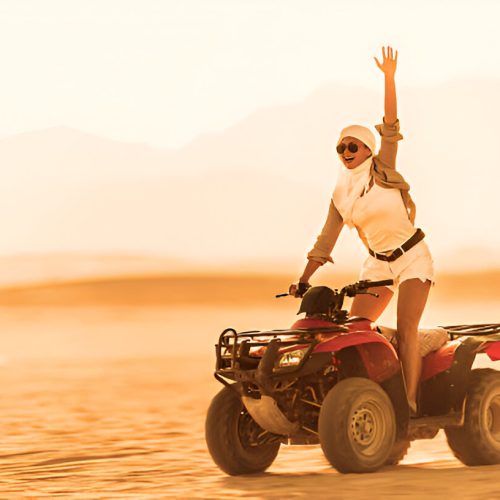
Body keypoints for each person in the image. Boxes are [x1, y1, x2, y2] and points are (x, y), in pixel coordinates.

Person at [289, 46, 434, 415]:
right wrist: (303, 279)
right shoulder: (340, 193)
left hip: (411, 257)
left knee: (406, 324)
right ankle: (372, 394)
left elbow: (390, 124)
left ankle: (410, 404)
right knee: (357, 326)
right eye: (341, 147)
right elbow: (325, 240)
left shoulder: (381, 168)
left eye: (352, 145)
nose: (345, 151)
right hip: (377, 265)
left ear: (367, 148)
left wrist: (388, 77)